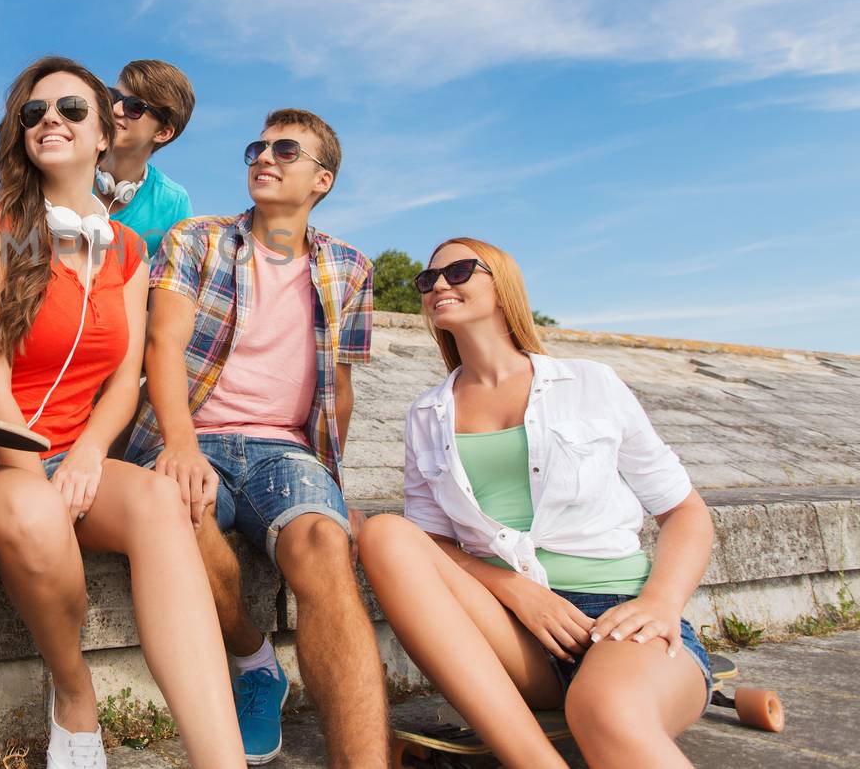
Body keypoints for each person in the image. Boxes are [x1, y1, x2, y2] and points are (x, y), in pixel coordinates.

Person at [0, 57, 244, 768]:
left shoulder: (128, 248)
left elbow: (125, 381)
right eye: (33, 112)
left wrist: (88, 456)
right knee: (32, 513)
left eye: (71, 110)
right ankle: (75, 693)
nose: (49, 119)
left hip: (76, 453)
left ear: (100, 137)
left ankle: (222, 758)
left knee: (158, 498)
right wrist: (35, 474)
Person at [358, 238, 716, 769]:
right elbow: (431, 544)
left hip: (618, 619)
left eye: (456, 271)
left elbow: (684, 511)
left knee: (608, 714)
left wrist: (661, 603)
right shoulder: (426, 413)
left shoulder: (591, 383)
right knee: (385, 533)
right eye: (425, 280)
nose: (437, 285)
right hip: (512, 631)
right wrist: (519, 592)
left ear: (502, 285)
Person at [129, 109, 388, 767]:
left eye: (285, 150)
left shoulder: (350, 269)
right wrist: (180, 446)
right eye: (257, 147)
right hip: (189, 433)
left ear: (321, 179)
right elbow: (163, 344)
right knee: (177, 509)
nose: (263, 157)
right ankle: (254, 661)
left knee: (326, 545)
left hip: (284, 452)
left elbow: (341, 387)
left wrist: (331, 484)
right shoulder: (198, 240)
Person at [93, 59, 194, 259]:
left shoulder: (174, 203)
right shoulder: (66, 167)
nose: (116, 110)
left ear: (163, 133)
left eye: (135, 107)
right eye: (114, 97)